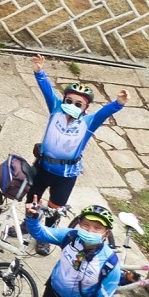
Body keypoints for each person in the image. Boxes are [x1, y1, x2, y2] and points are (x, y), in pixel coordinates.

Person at [27, 55, 126, 254]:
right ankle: (27, 225)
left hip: (66, 174)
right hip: (43, 166)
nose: (72, 105)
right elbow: (47, 91)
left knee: (55, 208)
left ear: (85, 107)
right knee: (33, 200)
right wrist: (39, 71)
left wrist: (118, 103)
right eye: (69, 100)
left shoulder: (88, 122)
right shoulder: (56, 109)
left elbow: (104, 113)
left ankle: (47, 237)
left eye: (78, 104)